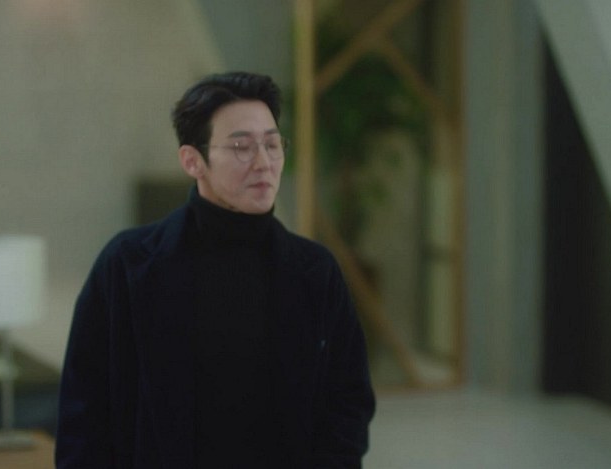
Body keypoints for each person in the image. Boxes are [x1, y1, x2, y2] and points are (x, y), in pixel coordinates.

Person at [55, 71, 375, 468]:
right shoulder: (126, 265)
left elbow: (348, 402)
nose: (264, 163)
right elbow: (83, 413)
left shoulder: (315, 271)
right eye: (242, 147)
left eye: (272, 144)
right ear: (193, 161)